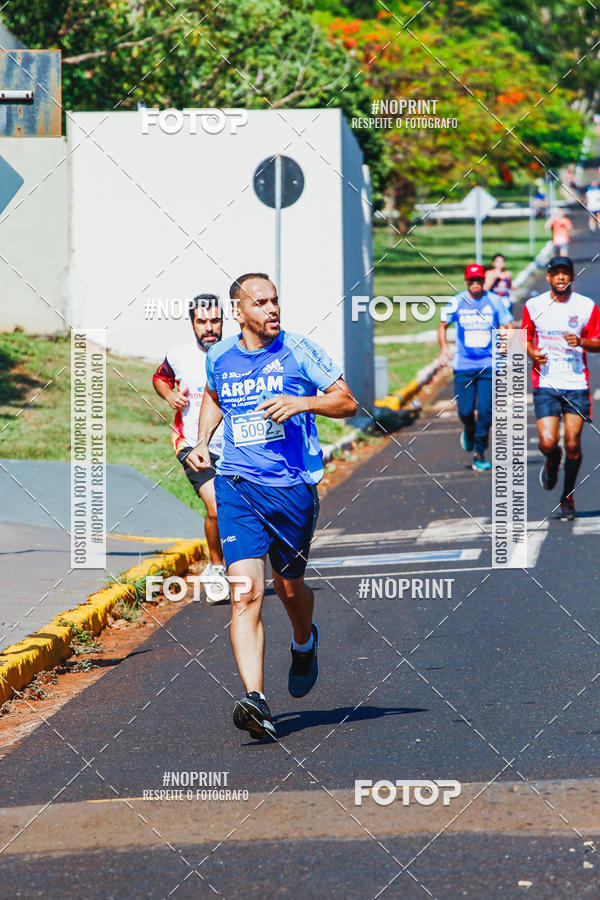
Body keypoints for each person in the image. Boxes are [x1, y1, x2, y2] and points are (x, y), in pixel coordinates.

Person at [186, 273, 357, 740]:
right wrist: (201, 440)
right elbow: (214, 396)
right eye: (260, 303)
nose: (271, 309)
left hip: (292, 490)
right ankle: (256, 700)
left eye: (275, 301)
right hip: (237, 484)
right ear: (238, 312)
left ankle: (305, 641)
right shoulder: (220, 356)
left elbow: (347, 402)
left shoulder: (299, 350)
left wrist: (302, 403)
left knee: (289, 587)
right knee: (245, 593)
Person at [152, 294, 228, 602]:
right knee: (215, 505)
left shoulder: (236, 352)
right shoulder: (179, 355)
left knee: (236, 510)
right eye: (202, 322)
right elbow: (159, 378)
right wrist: (169, 396)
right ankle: (217, 566)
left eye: (214, 321)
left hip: (235, 446)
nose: (209, 328)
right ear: (192, 323)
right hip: (192, 446)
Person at [521, 256, 600, 520]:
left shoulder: (586, 306)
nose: (561, 277)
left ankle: (567, 497)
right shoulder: (534, 305)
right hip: (546, 382)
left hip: (577, 383)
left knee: (573, 444)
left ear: (572, 277)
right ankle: (552, 462)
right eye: (556, 273)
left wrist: (581, 341)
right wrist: (532, 353)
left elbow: (598, 342)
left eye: (565, 273)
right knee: (548, 442)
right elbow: (523, 338)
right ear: (548, 277)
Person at [438, 263, 513, 471]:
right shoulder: (457, 301)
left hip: (488, 364)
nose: (476, 284)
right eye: (471, 281)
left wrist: (506, 341)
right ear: (466, 282)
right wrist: (444, 349)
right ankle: (469, 430)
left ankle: (479, 453)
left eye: (479, 280)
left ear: (483, 281)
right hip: (463, 365)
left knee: (486, 412)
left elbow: (508, 326)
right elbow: (442, 325)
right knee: (465, 411)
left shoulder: (494, 301)